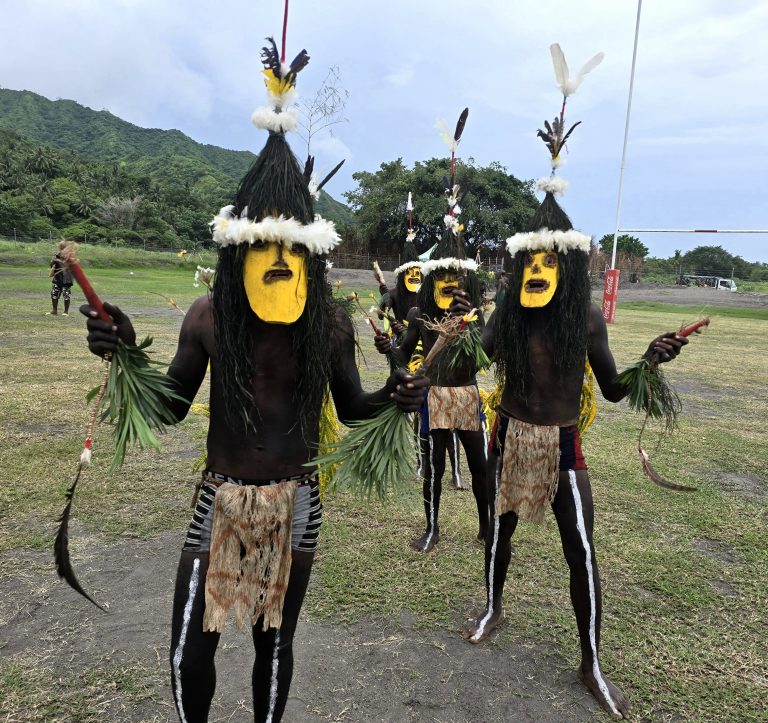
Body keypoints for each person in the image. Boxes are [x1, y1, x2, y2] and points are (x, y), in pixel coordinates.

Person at [82, 40, 426, 723]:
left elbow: (353, 406)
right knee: (191, 650)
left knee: (276, 644)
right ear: (236, 248)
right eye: (263, 249)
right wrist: (124, 356)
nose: (277, 261)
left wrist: (396, 394)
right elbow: (173, 407)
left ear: (310, 254)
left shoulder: (327, 323)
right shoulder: (211, 318)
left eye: (291, 251)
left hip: (297, 502)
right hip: (220, 497)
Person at [454, 168, 688, 721]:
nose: (537, 271)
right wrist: (454, 339)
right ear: (516, 267)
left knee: (581, 551)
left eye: (548, 261)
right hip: (509, 437)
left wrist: (648, 363)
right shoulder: (507, 313)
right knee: (497, 533)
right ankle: (493, 609)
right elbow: (474, 360)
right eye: (529, 262)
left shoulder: (584, 319)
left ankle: (591, 663)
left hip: (562, 445)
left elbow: (611, 390)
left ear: (565, 265)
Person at [378, 176, 489, 552]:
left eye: (455, 277)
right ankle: (432, 528)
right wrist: (388, 347)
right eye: (440, 276)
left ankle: (486, 526)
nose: (448, 282)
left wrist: (467, 321)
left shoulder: (473, 315)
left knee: (480, 467)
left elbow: (483, 356)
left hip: (467, 396)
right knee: (434, 470)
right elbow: (402, 354)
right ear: (429, 282)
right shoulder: (419, 313)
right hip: (433, 398)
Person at [48, 240, 74, 316]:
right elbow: (51, 265)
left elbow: (69, 264)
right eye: (61, 247)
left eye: (63, 247)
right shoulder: (56, 254)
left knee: (66, 294)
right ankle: (54, 310)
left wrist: (59, 258)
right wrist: (54, 260)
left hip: (67, 278)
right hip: (57, 277)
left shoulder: (70, 255)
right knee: (54, 293)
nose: (61, 248)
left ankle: (66, 312)